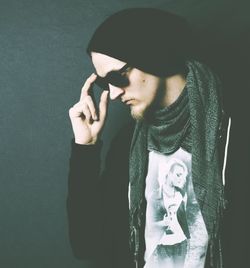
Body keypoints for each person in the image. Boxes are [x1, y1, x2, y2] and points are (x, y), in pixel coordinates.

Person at [67, 8, 230, 268]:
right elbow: (87, 244)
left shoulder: (232, 131)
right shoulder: (127, 144)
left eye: (117, 77)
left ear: (153, 57)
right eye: (102, 82)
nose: (113, 93)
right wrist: (85, 148)